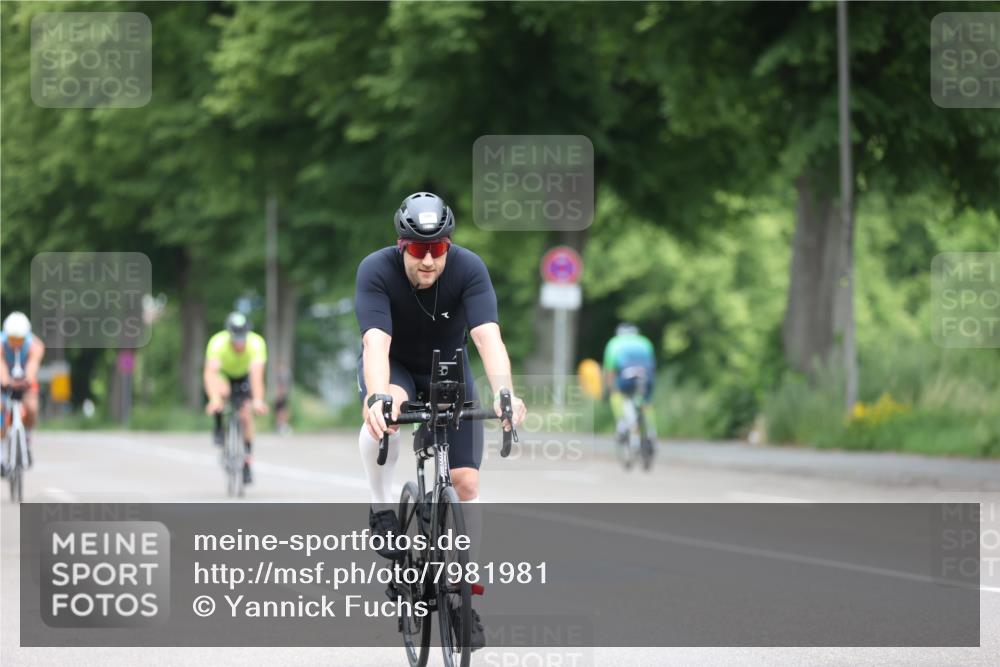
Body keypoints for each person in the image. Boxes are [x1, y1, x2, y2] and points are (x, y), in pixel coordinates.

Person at [354, 191, 527, 649]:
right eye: (417, 249)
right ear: (400, 245)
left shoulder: (470, 269)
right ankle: (381, 507)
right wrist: (376, 397)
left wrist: (505, 393)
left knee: (466, 484)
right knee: (388, 406)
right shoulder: (375, 270)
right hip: (396, 369)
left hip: (449, 369)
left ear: (449, 245)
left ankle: (463, 593)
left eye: (438, 249)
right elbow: (375, 343)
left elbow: (488, 339)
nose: (428, 259)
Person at [203, 312, 268, 485]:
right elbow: (210, 374)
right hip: (224, 375)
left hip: (244, 376)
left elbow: (257, 376)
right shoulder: (218, 343)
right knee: (221, 392)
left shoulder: (256, 344)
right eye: (236, 338)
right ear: (229, 335)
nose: (239, 342)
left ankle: (246, 462)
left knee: (246, 415)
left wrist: (258, 399)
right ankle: (218, 425)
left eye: (242, 337)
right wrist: (214, 399)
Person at [1, 312, 45, 476]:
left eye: (20, 340)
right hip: (5, 380)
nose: (16, 344)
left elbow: (32, 366)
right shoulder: (0, 344)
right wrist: (5, 381)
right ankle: (1, 453)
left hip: (24, 379)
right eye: (12, 340)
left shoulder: (36, 345)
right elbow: (1, 366)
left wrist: (27, 379)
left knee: (32, 407)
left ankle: (26, 437)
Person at [603, 323, 657, 443]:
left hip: (626, 377)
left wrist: (611, 388)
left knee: (617, 394)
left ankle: (622, 424)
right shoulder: (645, 342)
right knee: (646, 402)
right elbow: (652, 367)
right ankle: (651, 430)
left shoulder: (614, 343)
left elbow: (610, 371)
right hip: (646, 376)